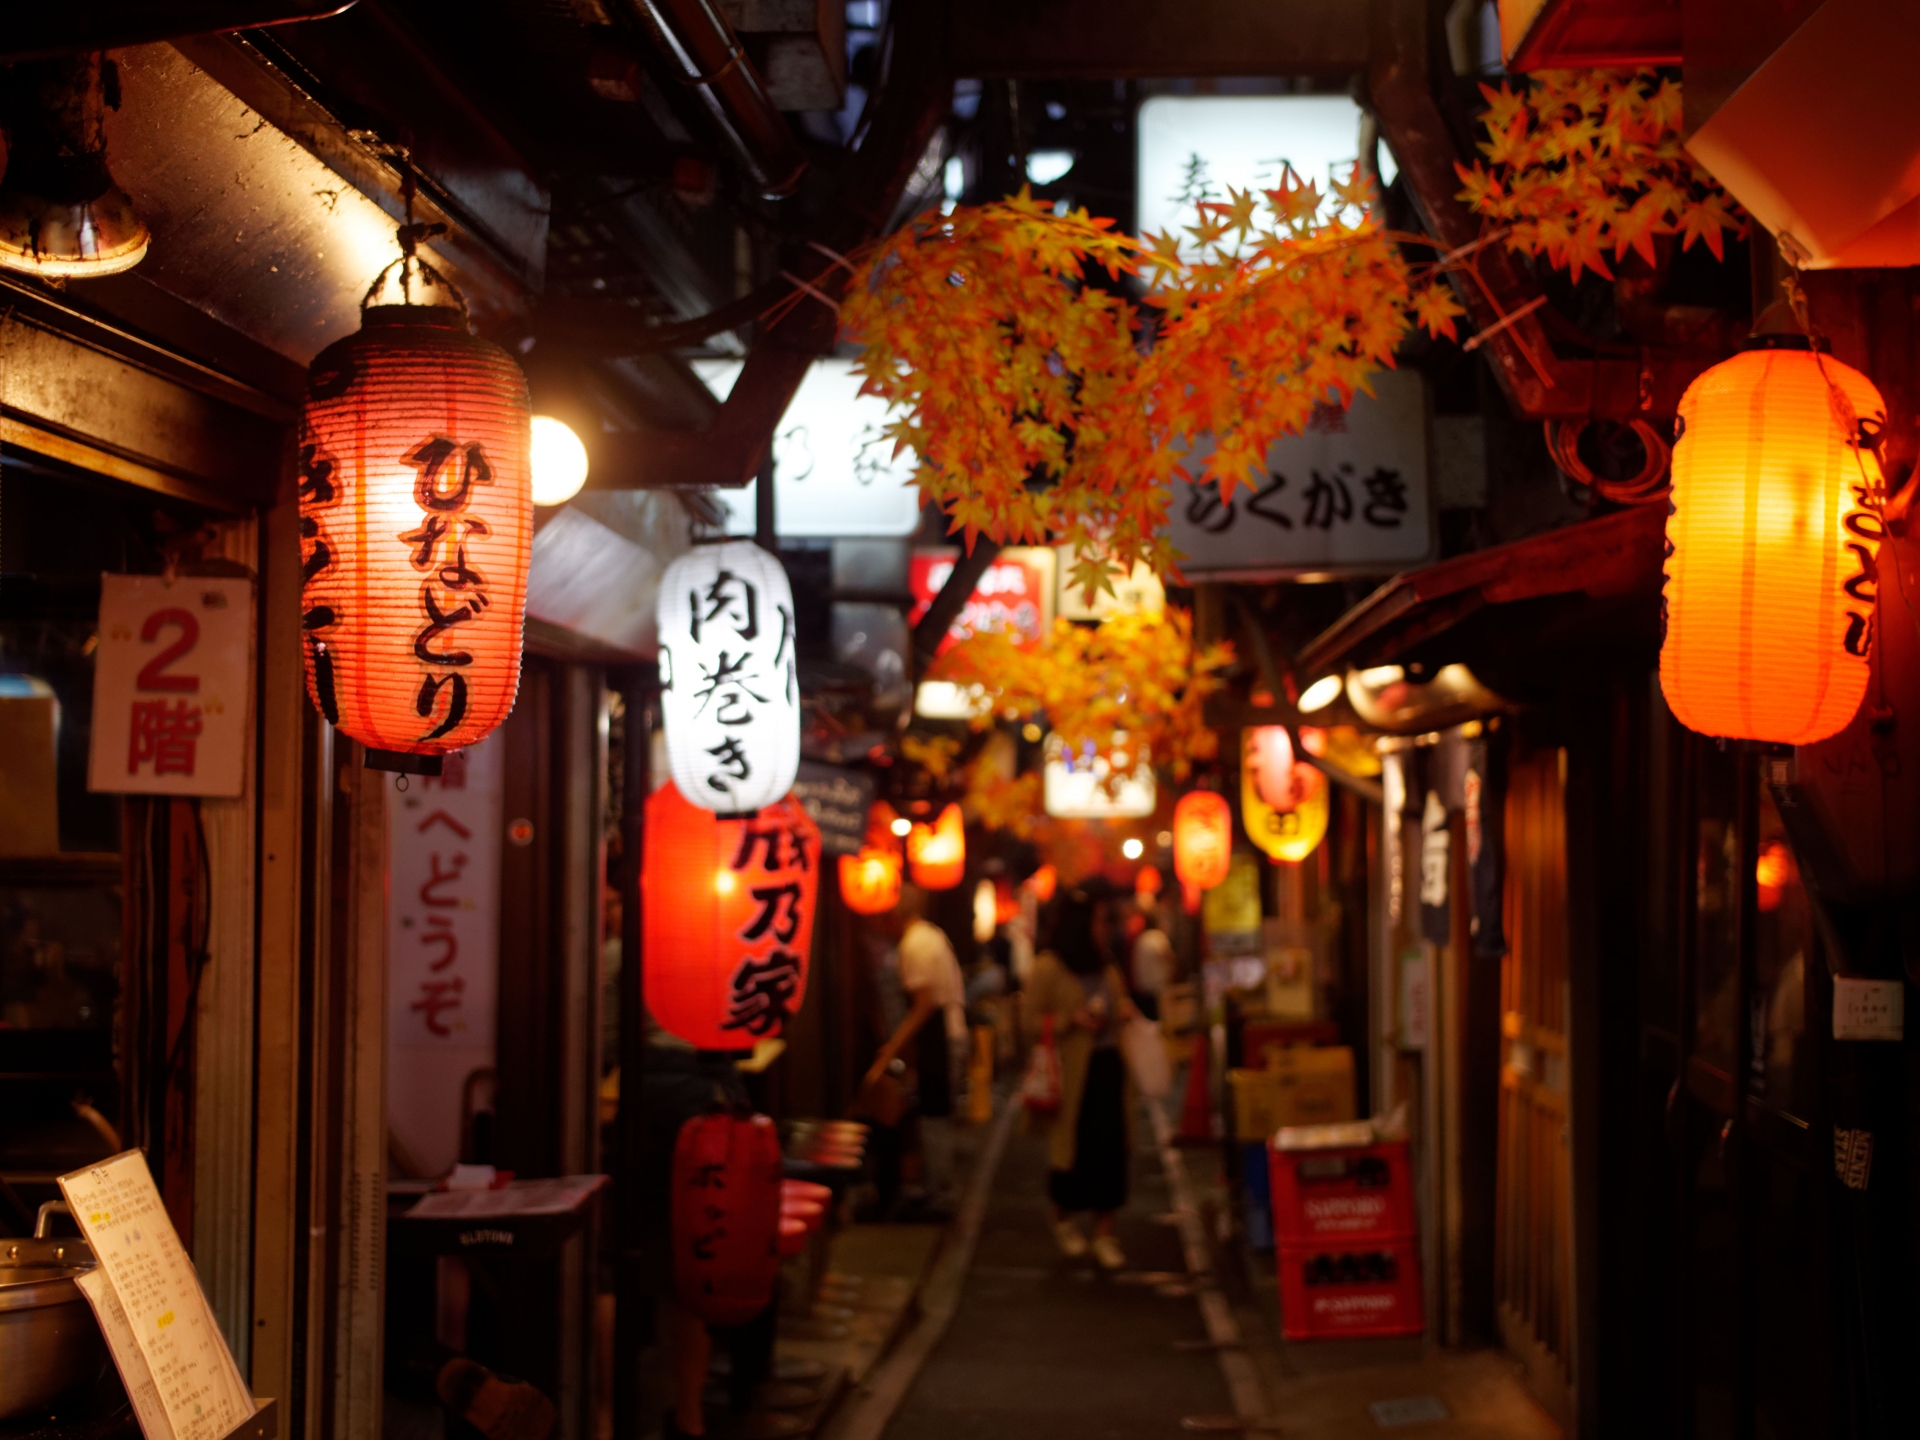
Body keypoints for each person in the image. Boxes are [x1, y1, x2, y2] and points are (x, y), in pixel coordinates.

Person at [1028, 885, 1138, 1270]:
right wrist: (1068, 1021)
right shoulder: (1048, 967)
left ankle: (1105, 1234)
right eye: (1097, 920)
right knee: (1072, 1156)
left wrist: (1123, 1011)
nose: (1104, 927)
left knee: (1112, 1154)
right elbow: (1026, 1021)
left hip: (1109, 1070)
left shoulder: (1106, 965)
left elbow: (1122, 1000)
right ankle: (1063, 1220)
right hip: (1072, 1078)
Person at [864, 884, 968, 1213]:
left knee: (934, 1116)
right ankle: (937, 1189)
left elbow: (924, 1005)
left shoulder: (914, 944)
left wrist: (893, 1047)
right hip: (948, 1033)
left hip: (940, 1038)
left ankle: (940, 1194)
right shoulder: (929, 935)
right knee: (938, 1115)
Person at [1128, 905, 1173, 1022]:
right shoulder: (1158, 937)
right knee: (1164, 1022)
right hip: (1158, 988)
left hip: (1143, 989)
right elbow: (1169, 958)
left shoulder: (1141, 938)